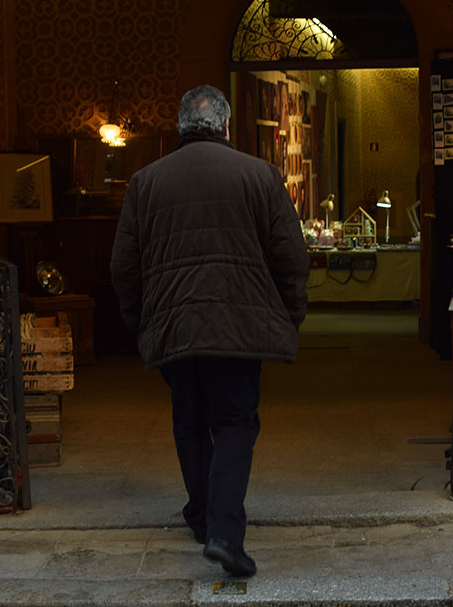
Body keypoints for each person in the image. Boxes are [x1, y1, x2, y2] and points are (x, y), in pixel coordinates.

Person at [110, 84, 308, 577]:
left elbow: (122, 268)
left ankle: (201, 517)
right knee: (236, 423)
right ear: (225, 127)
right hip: (239, 330)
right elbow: (291, 256)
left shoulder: (145, 182)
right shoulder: (259, 175)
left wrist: (142, 323)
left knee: (189, 421)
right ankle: (223, 533)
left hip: (174, 327)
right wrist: (290, 313)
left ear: (182, 128)